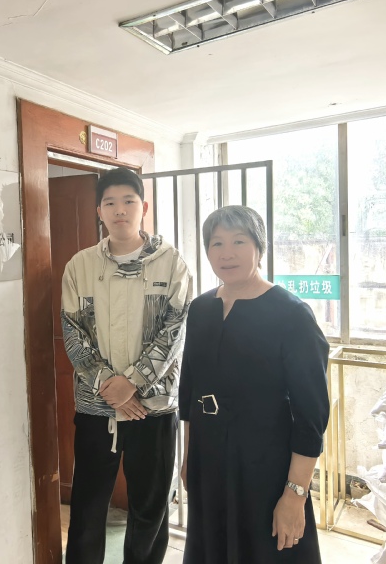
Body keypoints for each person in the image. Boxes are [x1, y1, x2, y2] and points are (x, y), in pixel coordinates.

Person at [179, 205, 330, 564]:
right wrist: (188, 458)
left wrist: (295, 494)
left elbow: (310, 415)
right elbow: (191, 390)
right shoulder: (200, 309)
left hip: (266, 466)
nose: (226, 253)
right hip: (208, 459)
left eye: (239, 241)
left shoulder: (291, 314)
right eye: (216, 243)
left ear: (260, 248)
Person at [61, 167, 192, 564]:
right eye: (110, 203)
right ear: (99, 211)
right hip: (96, 406)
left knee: (150, 509)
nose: (120, 210)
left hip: (152, 407)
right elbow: (72, 331)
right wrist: (110, 386)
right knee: (87, 508)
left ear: (144, 208)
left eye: (129, 201)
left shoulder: (171, 263)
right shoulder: (80, 265)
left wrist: (132, 383)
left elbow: (175, 330)